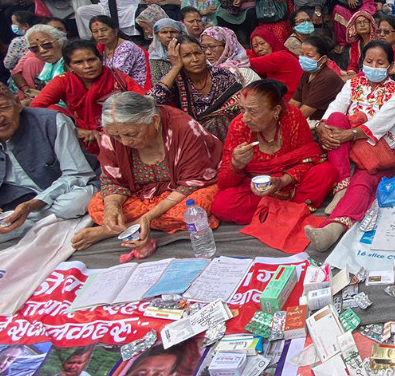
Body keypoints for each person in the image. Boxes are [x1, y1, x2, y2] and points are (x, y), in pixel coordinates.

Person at [71, 91, 222, 250]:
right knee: (98, 206)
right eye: (117, 137)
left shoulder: (183, 127)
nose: (125, 142)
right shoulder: (112, 133)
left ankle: (116, 230)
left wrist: (149, 217)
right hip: (143, 193)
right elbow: (112, 180)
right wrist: (112, 208)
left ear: (154, 121)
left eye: (132, 134)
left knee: (199, 205)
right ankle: (134, 225)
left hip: (184, 190)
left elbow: (194, 181)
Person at [308, 41, 395, 251]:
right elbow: (337, 105)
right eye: (369, 61)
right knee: (335, 116)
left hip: (376, 150)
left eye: (380, 63)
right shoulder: (353, 83)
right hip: (346, 148)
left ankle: (332, 228)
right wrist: (322, 126)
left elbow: (380, 123)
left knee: (364, 181)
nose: (374, 66)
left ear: (389, 67)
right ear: (362, 62)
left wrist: (349, 134)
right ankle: (342, 184)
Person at [0, 74, 100, 247]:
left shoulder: (52, 121)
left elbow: (78, 173)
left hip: (58, 196)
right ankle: (38, 225)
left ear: (17, 103)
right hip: (8, 204)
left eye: (2, 108)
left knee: (78, 200)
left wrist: (33, 205)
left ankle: (14, 227)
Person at [213, 79, 338, 223]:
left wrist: (283, 180)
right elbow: (223, 183)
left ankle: (272, 212)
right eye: (242, 110)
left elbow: (310, 159)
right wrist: (236, 164)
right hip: (257, 190)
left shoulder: (293, 117)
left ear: (276, 111)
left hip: (291, 182)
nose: (245, 118)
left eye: (252, 111)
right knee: (222, 204)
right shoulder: (238, 126)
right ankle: (292, 210)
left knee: (326, 172)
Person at [30, 39, 144, 150]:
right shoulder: (63, 81)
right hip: (81, 137)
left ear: (100, 60)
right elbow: (35, 108)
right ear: (69, 67)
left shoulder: (117, 78)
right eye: (79, 62)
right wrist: (76, 131)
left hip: (117, 134)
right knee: (51, 110)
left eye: (92, 60)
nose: (87, 66)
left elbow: (143, 102)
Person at [149, 34, 241, 139]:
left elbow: (238, 104)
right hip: (193, 137)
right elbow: (151, 103)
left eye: (198, 53)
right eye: (186, 55)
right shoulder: (175, 80)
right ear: (177, 58)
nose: (195, 59)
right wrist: (175, 67)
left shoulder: (222, 75)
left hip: (228, 134)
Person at [290, 35, 344, 122]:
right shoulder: (307, 74)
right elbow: (294, 102)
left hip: (326, 124)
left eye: (309, 56)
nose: (304, 58)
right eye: (302, 54)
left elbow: (304, 112)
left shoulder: (327, 78)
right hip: (311, 121)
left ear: (323, 59)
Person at [90, 14, 149, 88]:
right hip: (114, 86)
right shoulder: (101, 48)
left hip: (133, 89)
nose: (100, 34)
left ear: (115, 31)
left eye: (104, 30)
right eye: (95, 32)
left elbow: (119, 76)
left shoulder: (127, 47)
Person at [248, 26, 303, 99]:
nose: (259, 49)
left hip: (292, 102)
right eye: (255, 46)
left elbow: (247, 62)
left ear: (271, 42)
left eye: (262, 43)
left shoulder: (281, 56)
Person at [24, 24, 68, 92]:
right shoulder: (50, 65)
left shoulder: (71, 63)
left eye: (47, 44)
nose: (42, 51)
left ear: (60, 42)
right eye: (34, 48)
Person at [146, 18, 186, 85]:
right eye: (164, 32)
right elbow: (155, 80)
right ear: (157, 36)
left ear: (180, 34)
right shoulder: (155, 56)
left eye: (173, 32)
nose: (169, 36)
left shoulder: (187, 52)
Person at [344, 11, 378, 75]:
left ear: (371, 25)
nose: (362, 25)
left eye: (365, 22)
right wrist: (351, 72)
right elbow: (353, 65)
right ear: (355, 27)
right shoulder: (356, 44)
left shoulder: (377, 42)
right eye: (359, 23)